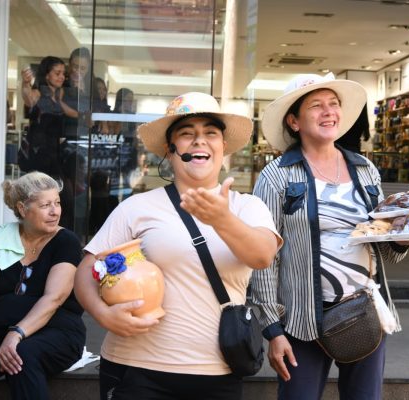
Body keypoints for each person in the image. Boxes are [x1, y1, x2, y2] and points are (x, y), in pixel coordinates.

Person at [74, 92, 282, 400]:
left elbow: (262, 256)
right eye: (187, 134)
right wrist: (102, 314)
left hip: (217, 371)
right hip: (136, 369)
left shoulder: (247, 207)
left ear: (222, 148)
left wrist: (222, 218)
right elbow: (86, 270)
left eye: (210, 133)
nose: (199, 141)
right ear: (170, 152)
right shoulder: (137, 207)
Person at [249, 73, 409, 400]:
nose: (329, 111)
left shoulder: (364, 169)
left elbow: (383, 244)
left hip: (363, 312)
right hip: (300, 320)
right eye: (316, 106)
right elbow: (263, 257)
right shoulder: (276, 175)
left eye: (333, 104)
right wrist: (272, 328)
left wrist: (403, 237)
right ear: (294, 121)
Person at [0, 172, 86, 400]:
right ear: (22, 209)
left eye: (57, 203)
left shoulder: (66, 242)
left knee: (20, 355)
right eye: (45, 205)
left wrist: (16, 334)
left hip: (57, 332)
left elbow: (53, 298)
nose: (55, 211)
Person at [20, 56, 78, 177]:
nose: (62, 77)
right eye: (57, 73)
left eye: (63, 73)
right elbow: (29, 99)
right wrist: (25, 83)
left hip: (55, 150)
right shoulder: (38, 93)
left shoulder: (61, 94)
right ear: (46, 75)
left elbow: (75, 114)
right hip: (38, 150)